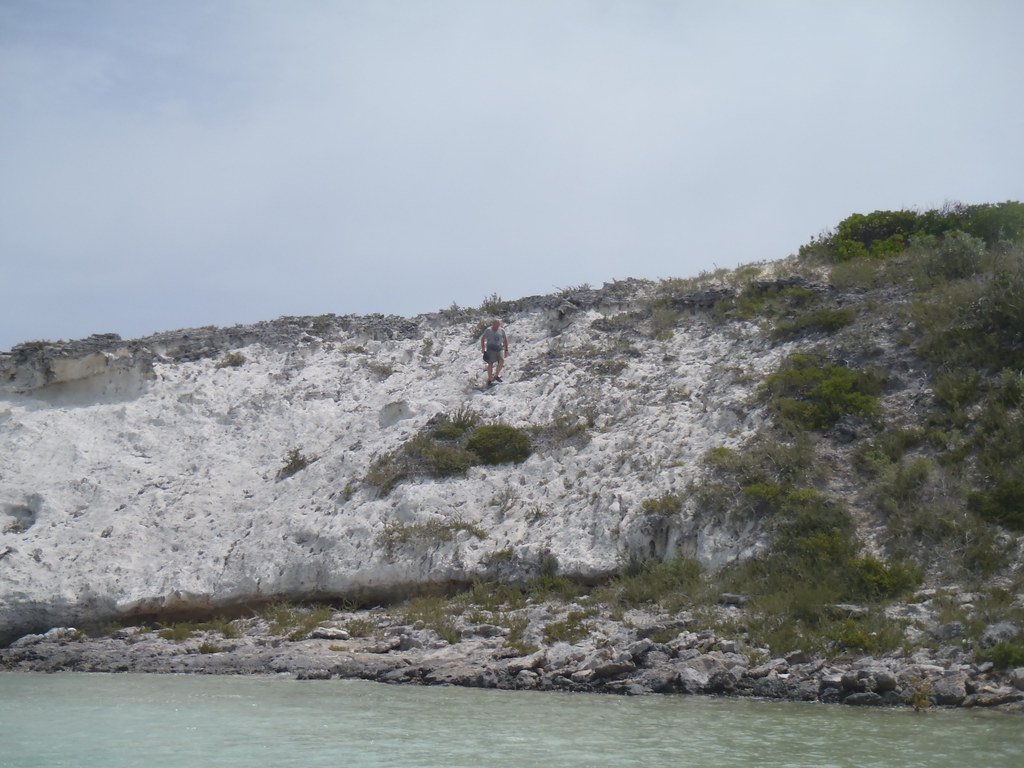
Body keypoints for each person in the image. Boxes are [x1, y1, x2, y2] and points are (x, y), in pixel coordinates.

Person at [480, 318, 509, 385]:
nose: (496, 325)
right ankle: (489, 378)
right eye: (495, 323)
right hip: (491, 349)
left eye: (498, 324)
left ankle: (496, 375)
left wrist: (506, 349)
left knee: (501, 361)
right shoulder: (488, 330)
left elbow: (505, 340)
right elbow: (483, 339)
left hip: (499, 348)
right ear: (493, 324)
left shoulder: (501, 330)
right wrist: (483, 348)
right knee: (490, 363)